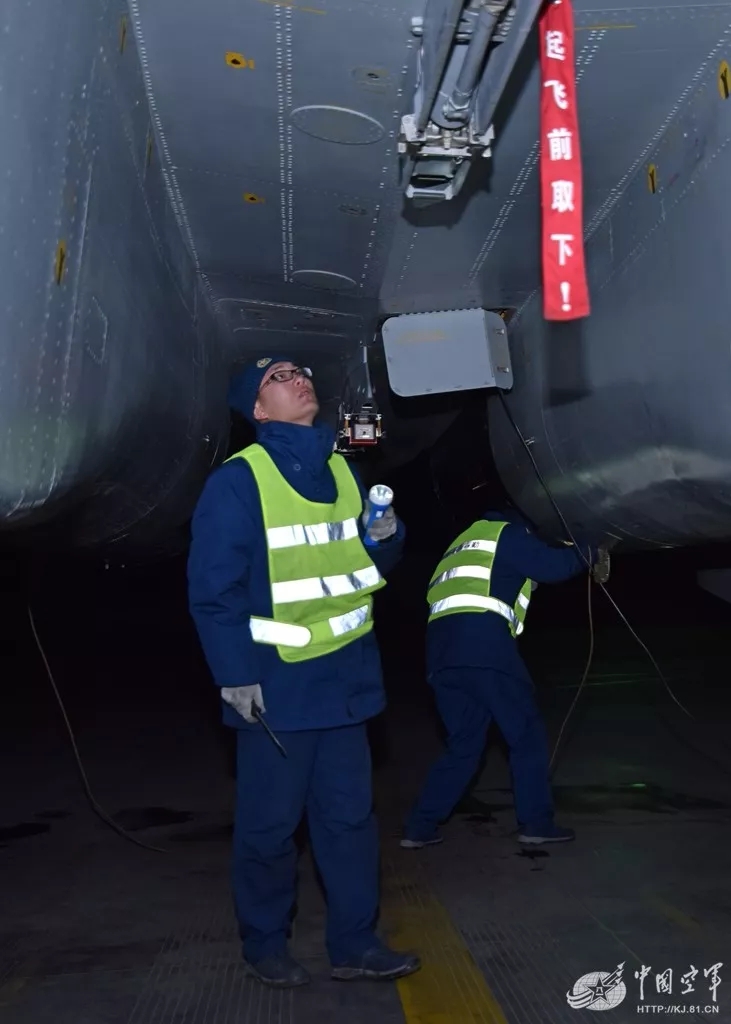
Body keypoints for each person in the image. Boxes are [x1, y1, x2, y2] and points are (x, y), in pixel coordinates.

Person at [187, 356, 420, 989]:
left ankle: (355, 943)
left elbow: (366, 566)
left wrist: (386, 535)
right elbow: (214, 591)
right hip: (277, 689)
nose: (298, 379)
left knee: (350, 824)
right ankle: (265, 943)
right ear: (258, 411)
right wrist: (235, 675)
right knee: (269, 829)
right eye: (278, 378)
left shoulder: (344, 471)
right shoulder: (239, 481)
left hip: (347, 685)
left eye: (300, 371)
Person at [400, 506, 598, 849]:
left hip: (441, 658)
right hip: (484, 650)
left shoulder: (462, 544)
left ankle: (419, 827)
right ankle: (536, 823)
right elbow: (554, 567)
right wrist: (591, 546)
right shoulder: (507, 533)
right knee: (526, 736)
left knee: (464, 746)